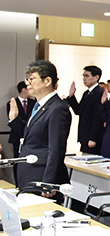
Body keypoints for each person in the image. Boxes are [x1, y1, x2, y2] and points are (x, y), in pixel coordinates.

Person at [12, 60, 71, 193]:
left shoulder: (57, 108)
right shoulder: (39, 106)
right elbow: (31, 136)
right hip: (29, 172)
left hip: (42, 176)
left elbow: (56, 149)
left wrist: (48, 182)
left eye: (31, 79)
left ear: (47, 81)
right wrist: (14, 120)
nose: (27, 82)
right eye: (27, 79)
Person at [66, 65, 105, 154]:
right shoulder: (86, 93)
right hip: (84, 136)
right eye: (83, 76)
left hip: (92, 138)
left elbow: (98, 118)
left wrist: (93, 138)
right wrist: (71, 97)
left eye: (87, 76)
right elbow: (79, 111)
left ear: (96, 77)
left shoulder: (99, 93)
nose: (84, 79)